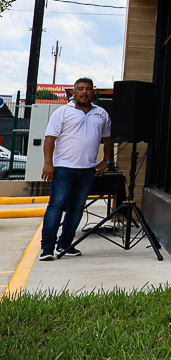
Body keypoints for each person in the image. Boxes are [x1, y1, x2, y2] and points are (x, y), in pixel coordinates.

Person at [39, 77, 112, 260]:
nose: (84, 92)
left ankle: (65, 245)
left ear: (93, 92)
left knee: (77, 207)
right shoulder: (62, 112)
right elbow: (50, 138)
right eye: (80, 88)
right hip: (63, 168)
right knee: (56, 206)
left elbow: (108, 139)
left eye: (88, 89)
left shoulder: (101, 113)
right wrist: (48, 163)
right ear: (73, 92)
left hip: (88, 169)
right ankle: (47, 248)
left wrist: (107, 161)